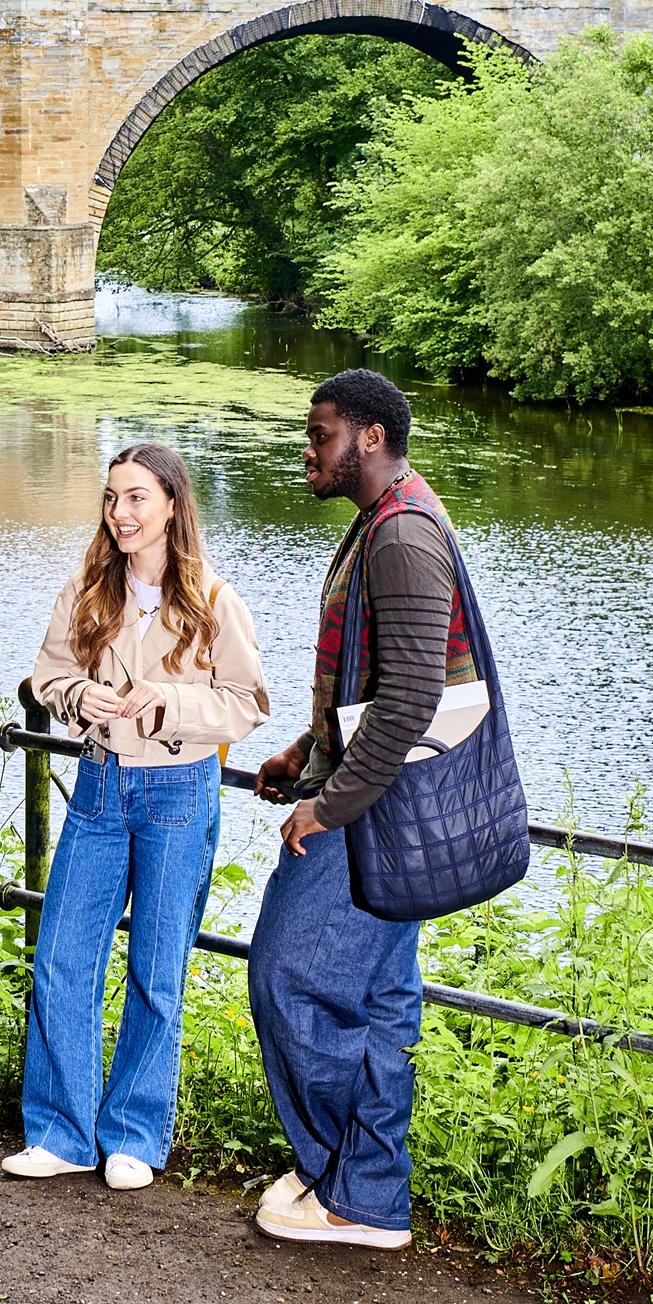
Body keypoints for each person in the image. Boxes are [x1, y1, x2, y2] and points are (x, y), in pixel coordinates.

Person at [8, 443, 269, 1191]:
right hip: (96, 786)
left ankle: (132, 1133)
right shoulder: (88, 589)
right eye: (112, 498)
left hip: (178, 791)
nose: (120, 513)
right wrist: (73, 697)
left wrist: (169, 701)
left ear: (172, 506)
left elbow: (247, 702)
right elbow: (47, 673)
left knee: (157, 969)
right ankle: (61, 1130)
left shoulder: (214, 600)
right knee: (62, 958)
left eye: (136, 498)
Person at [245, 369, 463, 1250]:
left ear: (368, 438)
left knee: (285, 974)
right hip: (379, 796)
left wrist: (326, 806)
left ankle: (342, 1169)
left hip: (377, 813)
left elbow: (410, 697)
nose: (310, 445)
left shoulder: (403, 535)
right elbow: (375, 678)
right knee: (378, 1004)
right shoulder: (387, 517)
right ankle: (367, 1193)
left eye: (321, 430)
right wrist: (308, 744)